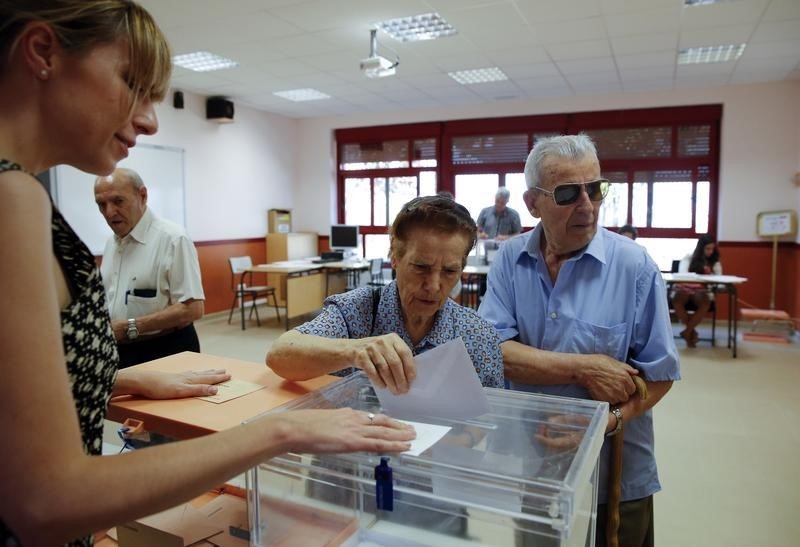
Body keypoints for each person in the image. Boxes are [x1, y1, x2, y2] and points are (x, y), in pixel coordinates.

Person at [0, 3, 413, 546]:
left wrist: (114, 379)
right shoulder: (13, 199)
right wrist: (280, 430)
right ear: (43, 52)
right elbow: (46, 498)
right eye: (132, 84)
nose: (149, 119)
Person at [478, 134, 680, 547]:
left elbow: (659, 375)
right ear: (532, 203)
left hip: (615, 479)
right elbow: (493, 351)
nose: (587, 205)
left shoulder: (635, 267)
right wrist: (584, 367)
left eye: (596, 189)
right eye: (568, 193)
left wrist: (606, 423)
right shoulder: (510, 262)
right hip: (534, 466)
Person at [267, 195, 504, 394]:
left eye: (450, 271)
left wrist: (455, 442)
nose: (433, 286)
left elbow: (493, 416)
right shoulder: (355, 313)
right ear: (395, 257)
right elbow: (280, 354)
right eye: (421, 267)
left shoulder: (477, 335)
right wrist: (355, 350)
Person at [95, 167, 204, 368]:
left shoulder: (173, 239)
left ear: (142, 195)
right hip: (120, 351)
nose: (109, 212)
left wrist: (131, 327)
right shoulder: (111, 244)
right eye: (101, 204)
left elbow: (193, 309)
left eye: (118, 201)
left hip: (166, 350)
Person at [672, 234, 722, 347]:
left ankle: (687, 332)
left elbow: (718, 277)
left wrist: (708, 275)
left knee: (705, 301)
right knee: (677, 299)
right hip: (685, 288)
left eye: (712, 249)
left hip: (702, 291)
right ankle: (691, 332)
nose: (710, 251)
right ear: (701, 248)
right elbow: (682, 275)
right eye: (708, 249)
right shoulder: (689, 258)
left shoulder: (715, 261)